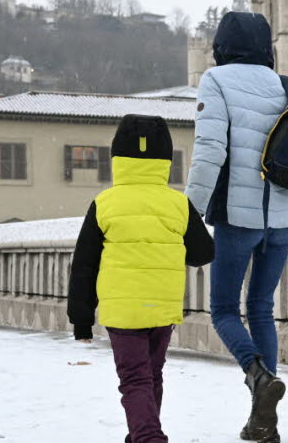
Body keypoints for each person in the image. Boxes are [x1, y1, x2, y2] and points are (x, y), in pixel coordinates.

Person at [184, 11, 288, 443]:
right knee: (262, 308)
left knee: (224, 310)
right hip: (282, 218)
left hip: (238, 216)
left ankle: (256, 375)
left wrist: (190, 209)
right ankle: (263, 423)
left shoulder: (217, 81)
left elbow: (210, 150)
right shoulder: (283, 85)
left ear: (222, 45)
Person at [67, 114, 214, 443]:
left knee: (134, 378)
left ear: (117, 158)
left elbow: (84, 265)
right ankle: (141, 436)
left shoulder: (105, 203)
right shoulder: (178, 203)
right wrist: (173, 248)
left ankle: (148, 437)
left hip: (123, 309)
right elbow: (204, 252)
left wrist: (81, 318)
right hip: (162, 306)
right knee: (152, 374)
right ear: (165, 159)